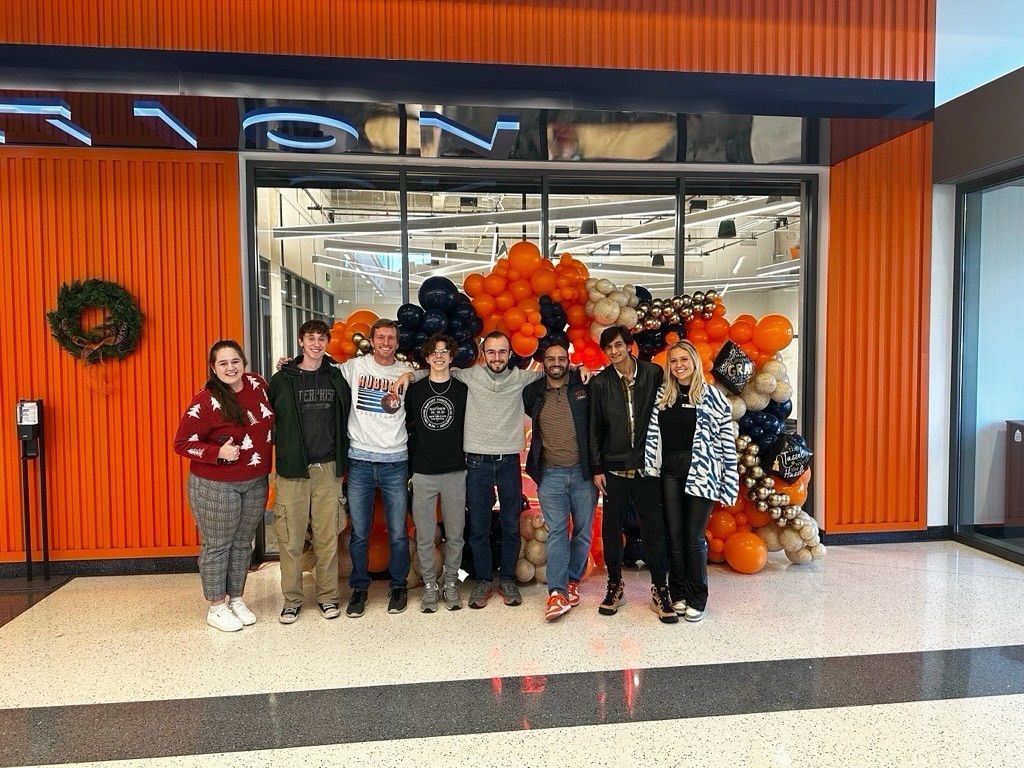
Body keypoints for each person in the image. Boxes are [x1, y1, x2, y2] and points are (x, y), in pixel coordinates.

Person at [172, 340, 274, 632]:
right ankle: (216, 606)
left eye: (235, 361)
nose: (231, 368)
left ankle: (237, 598)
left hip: (255, 480)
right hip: (215, 485)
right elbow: (181, 444)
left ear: (244, 362)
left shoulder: (257, 385)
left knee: (244, 543)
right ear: (213, 368)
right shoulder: (204, 401)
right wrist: (216, 453)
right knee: (218, 545)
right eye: (223, 363)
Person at [588, 325, 677, 624]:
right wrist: (597, 467)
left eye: (617, 345)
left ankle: (660, 589)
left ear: (629, 345)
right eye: (608, 348)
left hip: (647, 467)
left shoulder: (653, 374)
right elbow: (595, 429)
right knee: (611, 530)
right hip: (613, 469)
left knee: (654, 530)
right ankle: (615, 585)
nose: (613, 352)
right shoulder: (600, 383)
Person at [648, 340, 739, 622]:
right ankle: (678, 594)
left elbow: (727, 444)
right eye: (673, 361)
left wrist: (729, 481)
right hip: (670, 474)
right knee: (674, 536)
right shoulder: (663, 395)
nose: (679, 366)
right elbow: (653, 437)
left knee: (693, 537)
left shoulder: (714, 397)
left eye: (683, 360)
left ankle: (698, 597)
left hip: (703, 473)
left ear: (695, 362)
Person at [269, 320, 351, 624]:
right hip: (293, 471)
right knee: (290, 539)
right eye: (310, 338)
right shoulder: (281, 380)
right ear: (301, 341)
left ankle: (328, 597)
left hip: (329, 469)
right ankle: (291, 599)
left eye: (321, 339)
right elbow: (268, 420)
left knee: (327, 537)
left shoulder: (336, 377)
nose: (316, 344)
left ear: (327, 343)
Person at [339, 319, 418, 617]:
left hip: (395, 462)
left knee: (398, 532)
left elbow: (430, 371)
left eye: (391, 338)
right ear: (372, 341)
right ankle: (359, 589)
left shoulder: (404, 370)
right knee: (360, 532)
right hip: (359, 461)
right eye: (381, 337)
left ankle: (398, 586)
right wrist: (291, 363)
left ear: (397, 343)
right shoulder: (355, 367)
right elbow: (322, 369)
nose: (386, 342)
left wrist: (410, 371)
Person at [523, 342, 595, 621]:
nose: (556, 363)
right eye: (550, 358)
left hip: (583, 473)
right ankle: (557, 592)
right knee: (556, 532)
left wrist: (581, 369)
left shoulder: (583, 387)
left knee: (583, 531)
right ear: (543, 362)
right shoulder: (533, 392)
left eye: (561, 358)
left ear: (568, 360)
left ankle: (574, 579)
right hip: (550, 474)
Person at [404, 333, 469, 612]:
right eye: (434, 352)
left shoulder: (463, 389)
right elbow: (405, 428)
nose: (439, 356)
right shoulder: (415, 391)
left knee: (455, 532)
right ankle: (430, 584)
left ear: (451, 357)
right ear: (427, 357)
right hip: (423, 472)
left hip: (456, 470)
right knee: (425, 534)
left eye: (445, 351)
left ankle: (451, 581)